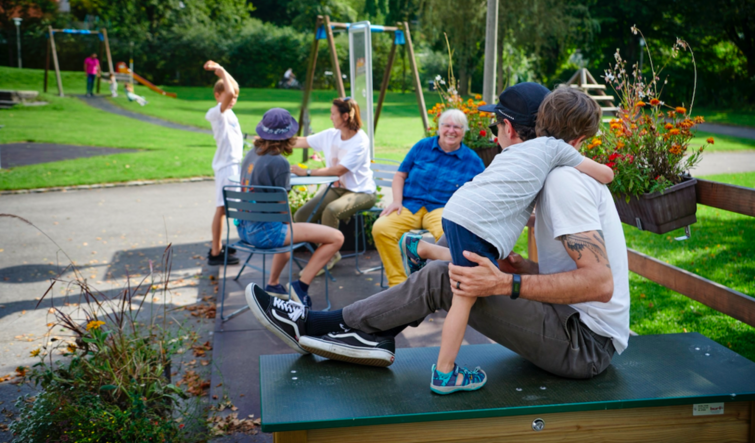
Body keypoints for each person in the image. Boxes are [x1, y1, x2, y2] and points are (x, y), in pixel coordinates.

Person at [245, 82, 630, 389]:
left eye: (496, 126)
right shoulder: (547, 175)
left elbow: (599, 283)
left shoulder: (565, 181)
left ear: (509, 129)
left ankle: (325, 326)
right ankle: (355, 329)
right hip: (569, 323)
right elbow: (581, 271)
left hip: (585, 345)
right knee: (454, 267)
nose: (495, 135)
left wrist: (507, 283)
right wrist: (522, 268)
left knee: (445, 279)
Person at [397, 87, 614, 394]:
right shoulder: (556, 149)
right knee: (465, 294)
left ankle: (422, 248)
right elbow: (604, 174)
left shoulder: (513, 151)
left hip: (457, 210)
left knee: (475, 262)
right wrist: (600, 169)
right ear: (578, 138)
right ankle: (444, 372)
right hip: (476, 223)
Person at [239, 108, 344, 306]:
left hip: (244, 228)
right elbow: (282, 208)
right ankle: (300, 286)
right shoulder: (279, 163)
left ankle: (273, 284)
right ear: (288, 136)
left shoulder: (250, 154)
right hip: (265, 232)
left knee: (286, 240)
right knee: (336, 238)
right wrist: (294, 228)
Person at [374, 109, 485, 287]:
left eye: (457, 127)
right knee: (381, 228)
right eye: (447, 125)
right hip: (410, 205)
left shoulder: (472, 161)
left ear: (464, 131)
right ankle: (398, 285)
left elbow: (481, 192)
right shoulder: (422, 146)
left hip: (442, 209)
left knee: (448, 238)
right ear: (439, 128)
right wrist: (396, 200)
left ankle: (432, 284)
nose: (451, 130)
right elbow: (400, 175)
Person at [289, 97, 377, 274]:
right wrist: (272, 141)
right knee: (301, 215)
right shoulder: (331, 135)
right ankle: (331, 252)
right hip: (338, 189)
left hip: (362, 192)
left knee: (331, 211)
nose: (330, 117)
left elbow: (338, 170)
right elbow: (302, 141)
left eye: (333, 114)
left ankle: (325, 257)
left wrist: (305, 172)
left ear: (345, 116)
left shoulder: (360, 141)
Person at [204, 60, 243, 266]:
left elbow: (232, 88)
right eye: (229, 96)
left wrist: (223, 70)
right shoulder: (216, 113)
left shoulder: (229, 112)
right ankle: (216, 251)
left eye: (236, 98)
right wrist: (219, 72)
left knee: (227, 208)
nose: (232, 99)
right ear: (217, 96)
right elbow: (228, 91)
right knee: (222, 208)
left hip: (233, 165)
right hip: (225, 167)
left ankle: (218, 245)